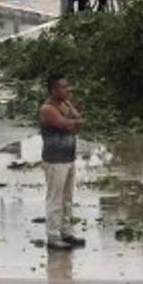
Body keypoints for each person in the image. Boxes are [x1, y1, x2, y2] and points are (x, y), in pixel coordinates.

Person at [39, 72, 85, 251]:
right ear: (53, 89)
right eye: (63, 87)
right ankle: (53, 236)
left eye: (67, 86)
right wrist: (72, 122)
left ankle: (66, 232)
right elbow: (65, 124)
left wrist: (73, 121)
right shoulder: (47, 108)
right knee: (55, 199)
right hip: (54, 159)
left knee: (67, 198)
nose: (67, 90)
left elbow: (78, 120)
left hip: (68, 157)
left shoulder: (65, 103)